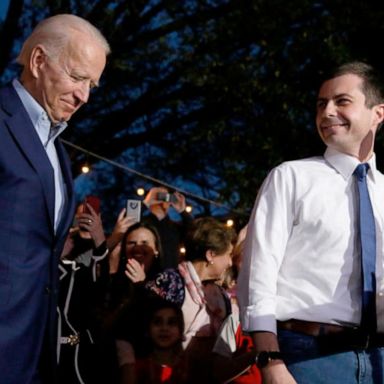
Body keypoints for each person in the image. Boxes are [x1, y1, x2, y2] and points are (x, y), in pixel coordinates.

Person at [237, 61, 384, 383]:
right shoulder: (291, 176)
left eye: (342, 101)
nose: (327, 111)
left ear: (377, 114)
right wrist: (270, 361)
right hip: (306, 357)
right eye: (321, 104)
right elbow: (258, 272)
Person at [0, 14, 110, 384]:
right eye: (77, 77)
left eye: (92, 84)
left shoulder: (58, 152)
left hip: (38, 353)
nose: (84, 96)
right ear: (37, 61)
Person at [145, 217, 236, 383]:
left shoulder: (220, 296)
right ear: (211, 255)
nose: (230, 262)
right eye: (228, 254)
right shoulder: (169, 282)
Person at [117, 298, 188, 384]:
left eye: (171, 323)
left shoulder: (190, 367)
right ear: (148, 330)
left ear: (180, 331)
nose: (164, 328)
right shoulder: (137, 369)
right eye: (157, 322)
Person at [143, 186, 193, 268]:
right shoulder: (142, 224)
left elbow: (195, 232)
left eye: (166, 197)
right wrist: (146, 203)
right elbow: (126, 222)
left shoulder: (175, 228)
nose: (162, 199)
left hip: (169, 274)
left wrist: (182, 211)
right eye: (158, 195)